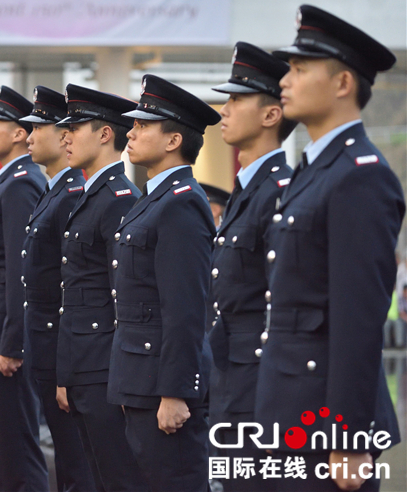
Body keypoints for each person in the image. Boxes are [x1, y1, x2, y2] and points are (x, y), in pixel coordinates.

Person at [257, 4, 404, 492]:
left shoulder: (361, 177)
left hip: (324, 426)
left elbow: (358, 320)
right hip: (288, 408)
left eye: (300, 69)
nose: (285, 79)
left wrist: (348, 436)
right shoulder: (314, 171)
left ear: (343, 84)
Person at [108, 75, 218, 491]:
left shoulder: (182, 202)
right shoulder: (154, 198)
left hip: (161, 385)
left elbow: (187, 309)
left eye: (141, 126)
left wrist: (176, 392)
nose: (130, 133)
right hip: (139, 379)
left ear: (173, 140)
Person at [206, 42, 297, 492]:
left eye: (237, 99)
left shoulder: (278, 189)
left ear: (270, 115)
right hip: (232, 378)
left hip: (260, 382)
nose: (225, 109)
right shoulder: (248, 188)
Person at [56, 84, 146, 492]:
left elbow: (123, 295)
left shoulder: (119, 198)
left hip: (106, 370)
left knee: (118, 478)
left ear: (106, 134)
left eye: (76, 128)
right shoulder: (93, 194)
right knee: (96, 476)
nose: (66, 137)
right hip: (84, 367)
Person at [20, 86, 96, 492]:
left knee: (78, 462)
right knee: (68, 458)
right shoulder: (54, 190)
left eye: (38, 128)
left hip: (64, 346)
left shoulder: (71, 193)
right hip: (48, 346)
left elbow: (74, 284)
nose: (29, 137)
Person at [0, 85, 49, 491]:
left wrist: (12, 344)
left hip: (5, 336)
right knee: (3, 450)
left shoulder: (22, 184)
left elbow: (23, 270)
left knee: (16, 450)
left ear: (20, 133)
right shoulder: (8, 181)